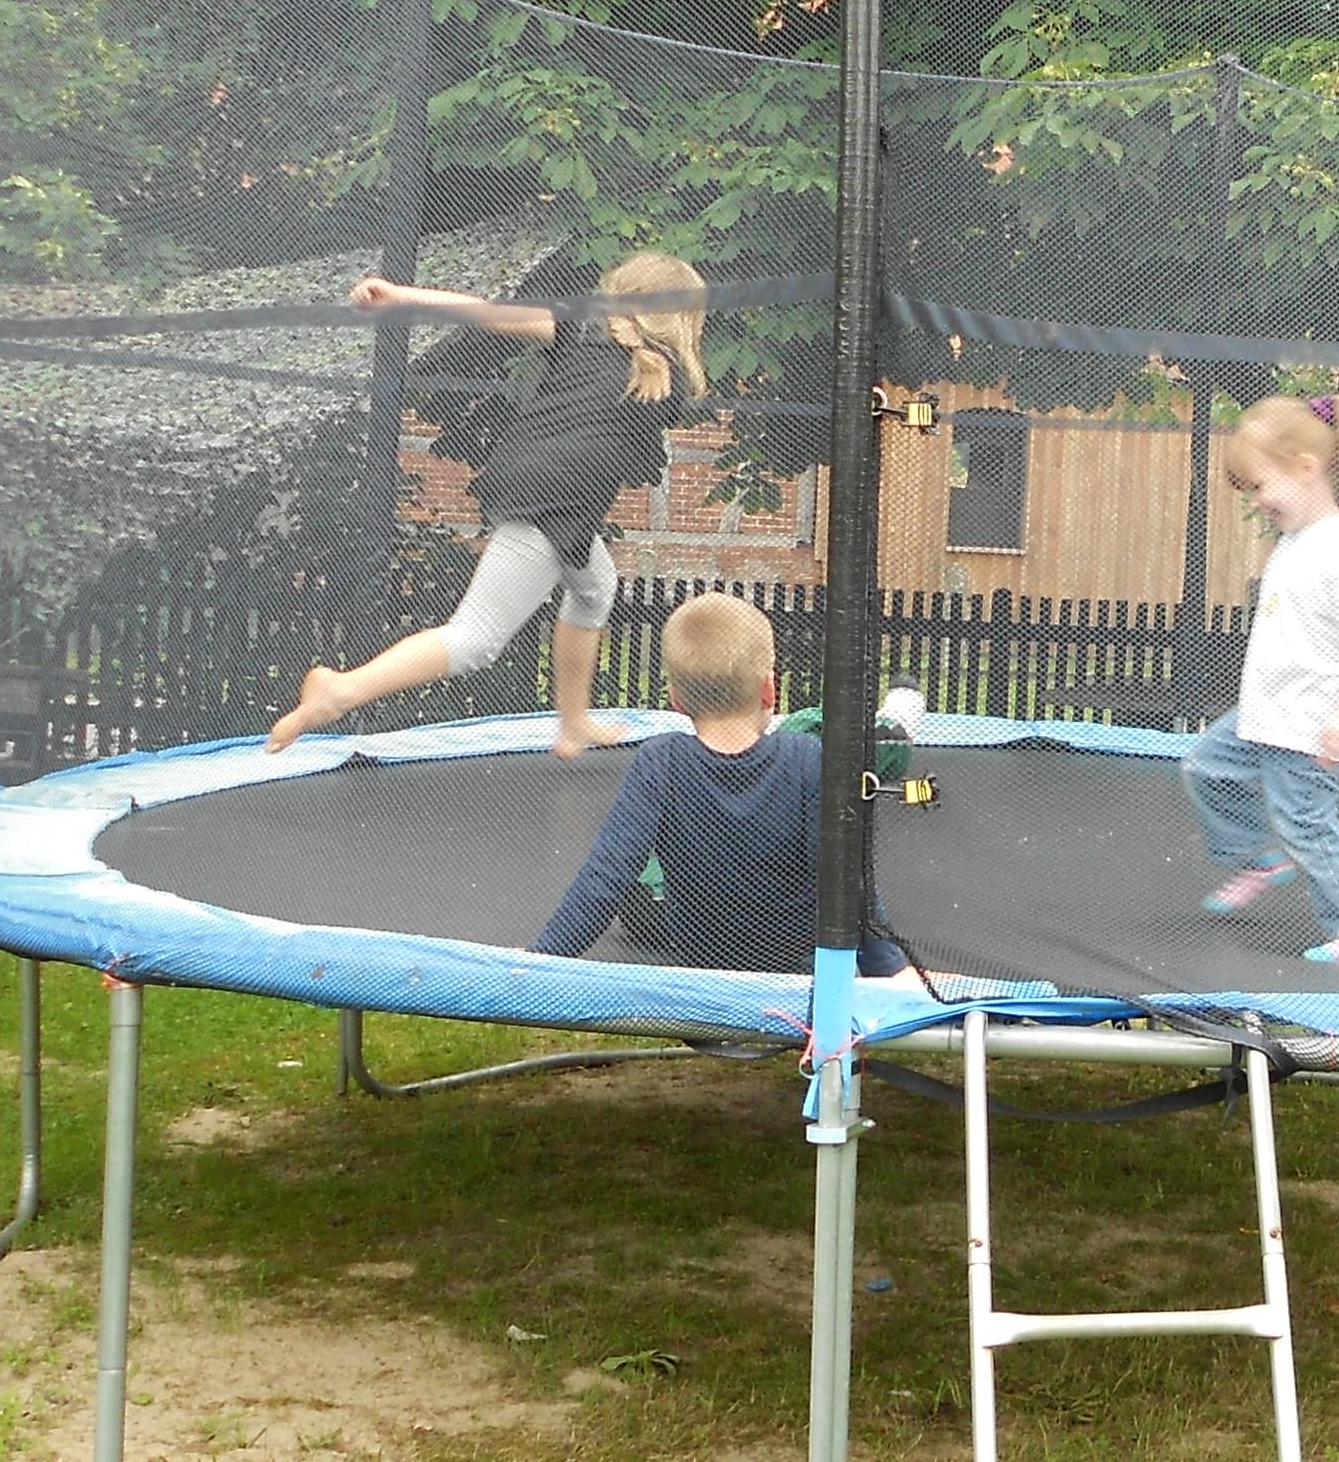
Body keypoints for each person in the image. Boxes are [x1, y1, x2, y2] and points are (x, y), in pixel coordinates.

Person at [267, 250, 707, 756]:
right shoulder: (666, 378)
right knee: (476, 639)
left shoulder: (583, 328)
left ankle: (573, 722)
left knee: (594, 588)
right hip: (556, 500)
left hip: (527, 474)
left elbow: (486, 311)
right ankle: (341, 691)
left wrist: (402, 296)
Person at [532, 592, 907, 976]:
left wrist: (541, 959)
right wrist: (890, 968)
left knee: (645, 900)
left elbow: (606, 875)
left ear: (677, 699)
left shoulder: (659, 762)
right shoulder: (806, 757)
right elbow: (842, 878)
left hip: (703, 969)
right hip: (797, 977)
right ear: (769, 689)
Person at [1183, 391, 1339, 966]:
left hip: (1307, 724)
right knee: (1204, 765)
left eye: (1260, 486)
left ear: (1306, 469)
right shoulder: (1294, 541)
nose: (1257, 501)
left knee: (1309, 825)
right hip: (1262, 715)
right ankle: (1259, 852)